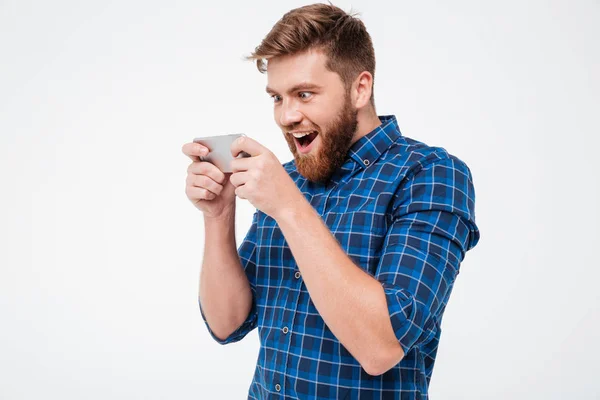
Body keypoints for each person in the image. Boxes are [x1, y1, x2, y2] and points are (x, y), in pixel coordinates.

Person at [182, 3, 480, 399]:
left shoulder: (430, 174)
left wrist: (289, 208)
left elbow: (381, 348)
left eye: (304, 94)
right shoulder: (286, 180)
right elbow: (227, 324)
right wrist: (219, 216)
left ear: (360, 88)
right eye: (277, 97)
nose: (286, 116)